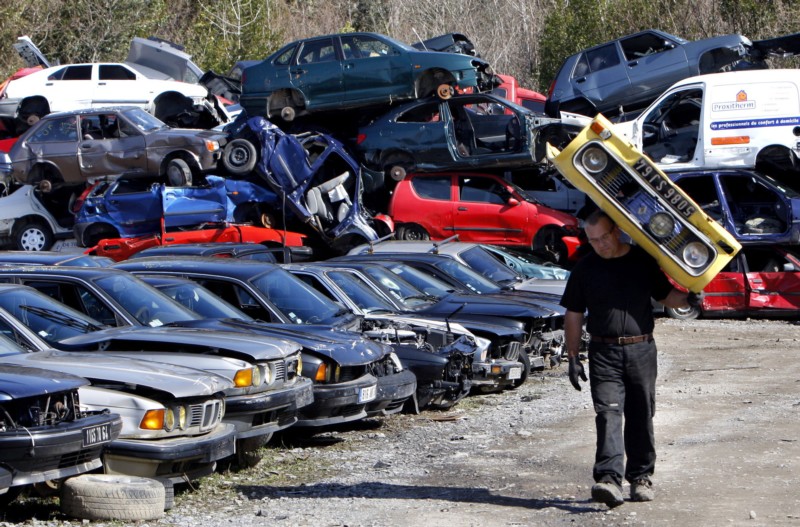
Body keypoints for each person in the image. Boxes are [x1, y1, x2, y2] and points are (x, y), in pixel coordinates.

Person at [559, 209, 701, 508]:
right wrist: (572, 357)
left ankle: (640, 478)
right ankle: (608, 479)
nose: (600, 245)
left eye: (604, 237)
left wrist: (690, 298)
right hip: (603, 352)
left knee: (641, 413)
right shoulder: (585, 269)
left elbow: (666, 296)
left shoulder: (642, 261)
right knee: (608, 414)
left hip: (641, 350)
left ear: (617, 232)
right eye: (593, 240)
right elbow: (573, 313)